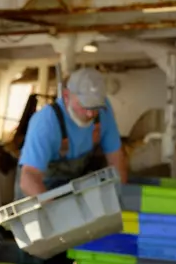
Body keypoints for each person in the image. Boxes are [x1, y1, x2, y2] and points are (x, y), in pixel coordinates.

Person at [15, 67, 128, 199]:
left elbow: (116, 159)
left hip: (72, 189)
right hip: (38, 194)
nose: (90, 114)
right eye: (84, 106)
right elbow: (28, 178)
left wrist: (120, 198)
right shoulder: (46, 121)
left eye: (95, 107)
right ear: (66, 96)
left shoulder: (104, 111)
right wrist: (56, 212)